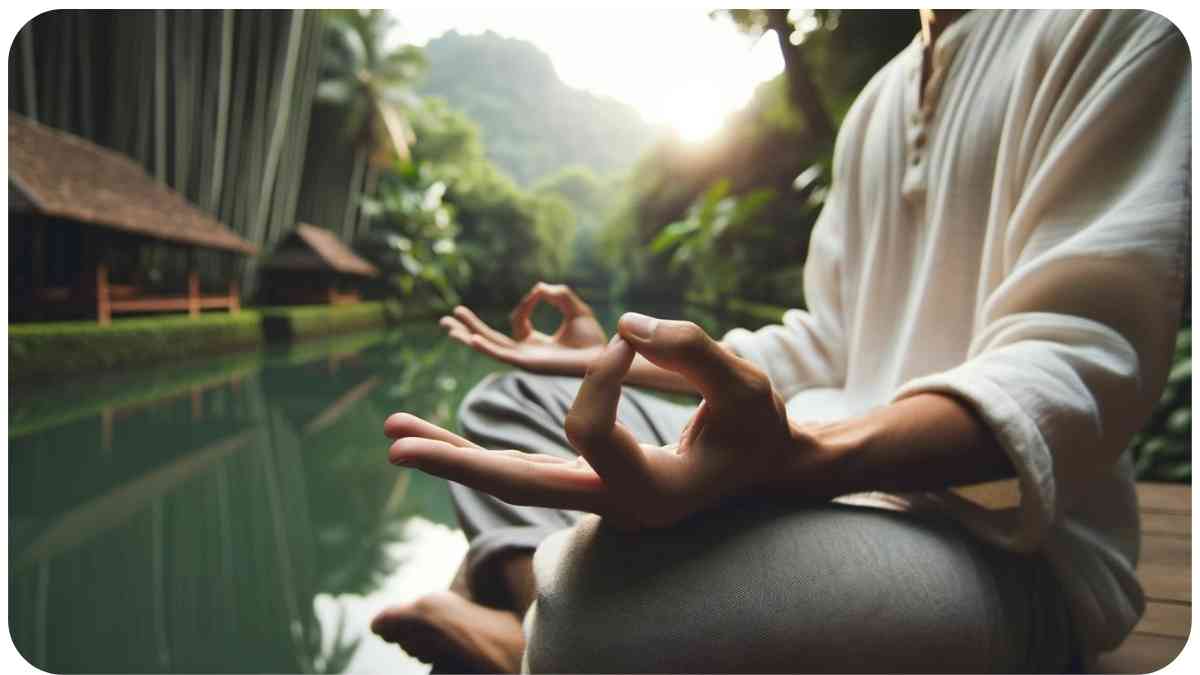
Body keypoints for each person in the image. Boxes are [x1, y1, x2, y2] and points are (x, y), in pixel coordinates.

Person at [372, 8, 1189, 673]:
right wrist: (625, 359)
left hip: (1012, 548)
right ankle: (536, 631)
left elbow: (1077, 363)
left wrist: (804, 457)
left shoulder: (1119, 29)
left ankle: (528, 635)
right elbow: (826, 339)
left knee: (598, 612)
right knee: (513, 400)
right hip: (819, 459)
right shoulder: (879, 98)